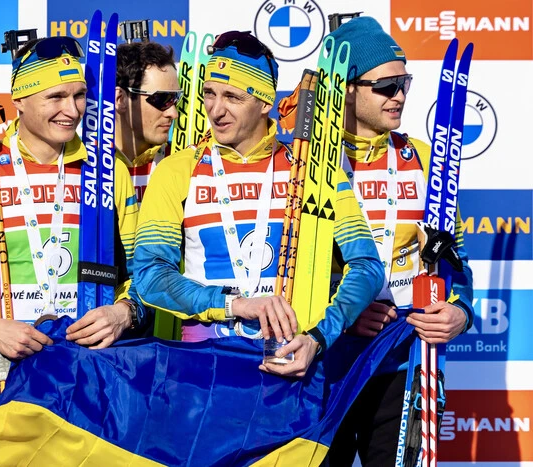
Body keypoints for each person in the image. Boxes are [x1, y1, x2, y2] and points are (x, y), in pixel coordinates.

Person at [0, 35, 146, 412]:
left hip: (90, 376)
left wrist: (123, 313)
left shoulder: (108, 171)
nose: (72, 109)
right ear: (19, 99)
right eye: (56, 96)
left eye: (79, 94)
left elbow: (145, 280)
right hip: (1, 376)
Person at [133, 31, 385, 378]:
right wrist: (234, 305)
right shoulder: (176, 170)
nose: (216, 110)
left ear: (265, 102)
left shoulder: (314, 171)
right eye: (209, 93)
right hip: (202, 367)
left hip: (289, 362)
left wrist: (318, 337)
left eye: (232, 97)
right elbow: (150, 275)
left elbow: (367, 267)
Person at [322, 17, 475, 466]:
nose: (401, 96)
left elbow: (454, 259)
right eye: (386, 85)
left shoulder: (425, 160)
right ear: (345, 89)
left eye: (404, 82)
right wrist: (342, 306)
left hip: (402, 360)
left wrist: (460, 312)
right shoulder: (307, 166)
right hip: (324, 362)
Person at [115, 40, 180, 203]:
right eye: (162, 99)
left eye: (175, 99)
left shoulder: (179, 161)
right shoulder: (86, 166)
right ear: (120, 99)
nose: (173, 113)